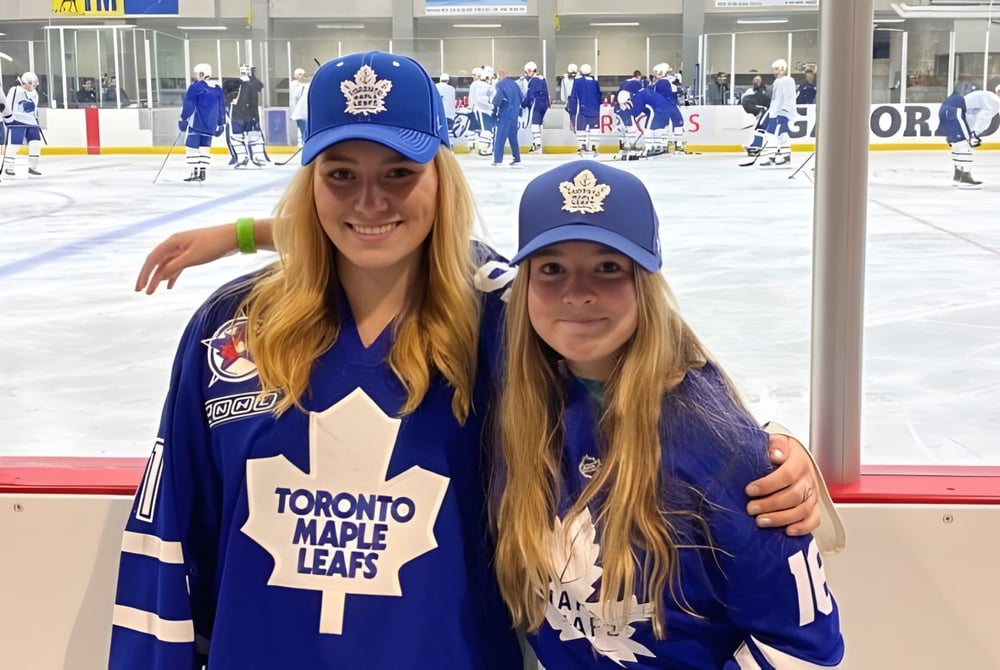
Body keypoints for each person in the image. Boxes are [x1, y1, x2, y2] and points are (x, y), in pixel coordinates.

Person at [109, 50, 525, 670]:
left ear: (442, 179)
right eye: (340, 174)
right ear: (311, 184)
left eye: (399, 173)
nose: (370, 201)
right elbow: (168, 536)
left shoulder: (500, 325)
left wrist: (244, 233)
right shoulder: (232, 330)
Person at [494, 160, 845, 669]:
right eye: (551, 269)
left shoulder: (722, 451)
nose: (577, 291)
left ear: (646, 281)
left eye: (608, 267)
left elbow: (805, 650)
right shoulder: (523, 397)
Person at [939, 84, 999, 189]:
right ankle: (965, 176)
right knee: (964, 145)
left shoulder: (986, 96)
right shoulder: (994, 100)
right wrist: (974, 133)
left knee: (957, 145)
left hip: (947, 109)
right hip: (955, 111)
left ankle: (958, 175)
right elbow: (984, 116)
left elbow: (972, 115)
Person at [178, 63, 226, 183]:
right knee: (205, 148)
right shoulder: (217, 88)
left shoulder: (196, 87)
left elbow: (188, 104)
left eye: (197, 74)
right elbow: (221, 107)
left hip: (196, 124)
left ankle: (195, 172)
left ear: (202, 74)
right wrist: (221, 123)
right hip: (210, 126)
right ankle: (203, 172)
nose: (196, 76)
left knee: (192, 148)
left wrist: (183, 119)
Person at [225, 64, 270, 167]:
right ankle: (252, 157)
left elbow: (226, 98)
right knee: (250, 137)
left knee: (241, 137)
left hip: (242, 115)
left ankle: (246, 157)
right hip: (247, 115)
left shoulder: (236, 83)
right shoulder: (251, 83)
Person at [3, 72, 43, 177]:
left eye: (34, 85)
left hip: (32, 122)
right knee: (15, 144)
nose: (32, 86)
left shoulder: (34, 93)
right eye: (30, 84)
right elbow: (8, 104)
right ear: (23, 83)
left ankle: (33, 167)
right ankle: (9, 167)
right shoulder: (15, 90)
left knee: (35, 143)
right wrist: (8, 119)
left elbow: (33, 108)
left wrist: (36, 121)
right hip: (17, 121)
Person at [759, 58, 796, 168]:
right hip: (774, 113)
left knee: (771, 134)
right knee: (781, 135)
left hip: (782, 113)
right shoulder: (776, 82)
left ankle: (772, 157)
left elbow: (790, 97)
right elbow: (775, 99)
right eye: (773, 69)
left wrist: (784, 111)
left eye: (777, 69)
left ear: (783, 69)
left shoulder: (788, 80)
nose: (774, 72)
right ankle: (785, 157)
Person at [566, 63, 602, 157]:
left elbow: (573, 96)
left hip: (581, 110)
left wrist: (571, 110)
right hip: (595, 111)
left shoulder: (577, 82)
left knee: (580, 129)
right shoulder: (595, 82)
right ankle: (594, 146)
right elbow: (599, 96)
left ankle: (582, 146)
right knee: (594, 129)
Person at [650, 62, 687, 153]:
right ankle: (677, 144)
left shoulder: (659, 83)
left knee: (663, 125)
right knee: (677, 123)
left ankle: (661, 145)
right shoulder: (664, 82)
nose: (670, 72)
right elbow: (675, 92)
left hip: (661, 107)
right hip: (669, 106)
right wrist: (677, 86)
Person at [491, 68, 524, 168]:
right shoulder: (515, 84)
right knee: (513, 137)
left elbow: (498, 97)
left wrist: (494, 109)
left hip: (505, 112)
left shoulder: (500, 84)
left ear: (500, 76)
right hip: (515, 113)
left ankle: (498, 160)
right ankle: (517, 159)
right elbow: (521, 97)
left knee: (500, 137)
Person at [521, 61, 549, 152]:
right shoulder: (543, 79)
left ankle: (537, 143)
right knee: (539, 124)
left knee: (534, 124)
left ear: (530, 71)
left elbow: (530, 95)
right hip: (544, 105)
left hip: (537, 104)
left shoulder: (534, 80)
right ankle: (537, 142)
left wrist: (523, 104)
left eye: (526, 72)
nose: (526, 74)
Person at [741, 74, 772, 156]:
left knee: (760, 128)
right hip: (760, 111)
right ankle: (756, 144)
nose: (757, 81)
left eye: (759, 80)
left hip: (765, 111)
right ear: (752, 81)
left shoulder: (763, 91)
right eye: (756, 79)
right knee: (758, 128)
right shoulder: (750, 91)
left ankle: (757, 145)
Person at [468, 66, 495, 156]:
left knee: (481, 129)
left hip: (478, 110)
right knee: (486, 129)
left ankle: (478, 146)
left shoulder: (476, 84)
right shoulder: (483, 85)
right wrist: (491, 106)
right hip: (483, 110)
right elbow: (484, 100)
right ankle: (483, 148)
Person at [288, 67, 309, 147]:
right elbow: (294, 99)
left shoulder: (306, 86)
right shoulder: (294, 85)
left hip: (304, 112)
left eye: (302, 74)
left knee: (305, 129)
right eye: (299, 74)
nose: (301, 76)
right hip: (297, 112)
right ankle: (303, 143)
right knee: (301, 128)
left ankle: (305, 143)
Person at [435, 72, 457, 140]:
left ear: (440, 79)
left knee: (439, 133)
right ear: (448, 80)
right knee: (448, 134)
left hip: (438, 115)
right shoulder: (452, 89)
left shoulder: (435, 87)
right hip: (449, 115)